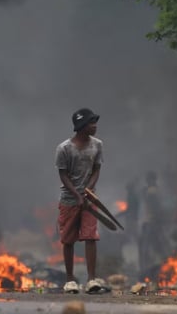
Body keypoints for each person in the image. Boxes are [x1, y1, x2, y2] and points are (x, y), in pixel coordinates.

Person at [55, 108, 104, 294]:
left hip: (90, 200)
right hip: (69, 200)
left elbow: (96, 170)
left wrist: (87, 191)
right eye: (92, 123)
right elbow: (63, 175)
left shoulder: (98, 145)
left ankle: (92, 280)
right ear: (82, 127)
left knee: (90, 237)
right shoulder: (64, 149)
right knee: (68, 240)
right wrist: (77, 195)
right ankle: (70, 280)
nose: (95, 126)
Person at [138, 171, 169, 278]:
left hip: (150, 223)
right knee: (156, 247)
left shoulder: (150, 191)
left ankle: (149, 271)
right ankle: (152, 271)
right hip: (151, 222)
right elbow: (157, 208)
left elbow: (155, 208)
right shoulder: (153, 191)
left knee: (149, 248)